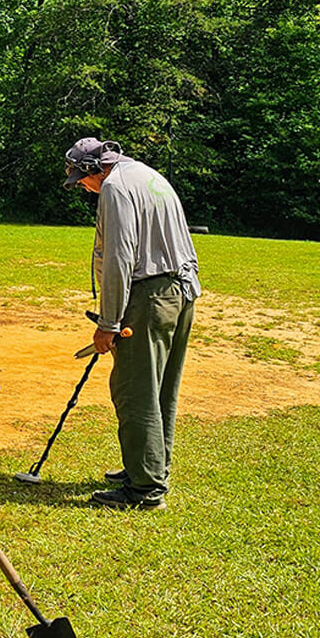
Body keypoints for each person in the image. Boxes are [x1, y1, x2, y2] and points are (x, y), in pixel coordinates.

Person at [63, 137, 200, 511]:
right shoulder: (145, 174)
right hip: (181, 290)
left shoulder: (115, 187)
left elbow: (119, 259)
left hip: (151, 295)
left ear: (94, 169)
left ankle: (144, 489)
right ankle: (149, 467)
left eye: (82, 179)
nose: (84, 188)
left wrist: (108, 323)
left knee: (134, 389)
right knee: (160, 389)